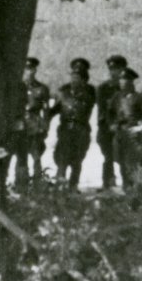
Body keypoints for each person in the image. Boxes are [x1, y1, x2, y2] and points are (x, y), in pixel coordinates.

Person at [49, 58, 96, 188]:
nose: (74, 80)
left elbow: (89, 101)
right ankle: (61, 184)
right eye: (73, 76)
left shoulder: (90, 92)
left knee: (77, 159)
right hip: (65, 129)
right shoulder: (63, 92)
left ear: (84, 79)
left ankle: (73, 185)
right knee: (62, 158)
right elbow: (54, 110)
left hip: (81, 129)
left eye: (78, 77)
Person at [11, 57, 51, 187]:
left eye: (32, 69)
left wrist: (45, 126)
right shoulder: (17, 87)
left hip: (35, 124)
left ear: (35, 70)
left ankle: (38, 183)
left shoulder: (42, 88)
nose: (30, 72)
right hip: (21, 124)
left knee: (36, 155)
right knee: (21, 156)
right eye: (27, 69)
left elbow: (46, 110)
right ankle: (20, 184)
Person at [95, 55, 127, 190]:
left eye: (117, 69)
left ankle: (127, 182)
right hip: (106, 127)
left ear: (123, 70)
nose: (114, 72)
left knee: (123, 156)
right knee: (108, 156)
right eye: (112, 69)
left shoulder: (126, 86)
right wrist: (110, 124)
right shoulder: (103, 88)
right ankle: (107, 183)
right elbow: (102, 109)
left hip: (122, 126)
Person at [111, 67, 142, 190]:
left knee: (134, 160)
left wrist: (141, 126)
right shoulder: (117, 97)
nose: (122, 83)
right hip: (120, 132)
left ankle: (137, 186)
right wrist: (112, 124)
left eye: (125, 80)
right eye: (121, 80)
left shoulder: (139, 97)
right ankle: (126, 184)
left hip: (132, 132)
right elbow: (109, 112)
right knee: (120, 160)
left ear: (131, 82)